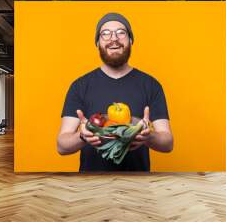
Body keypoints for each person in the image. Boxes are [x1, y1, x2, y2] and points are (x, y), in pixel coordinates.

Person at [57, 12, 173, 171]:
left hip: (138, 187)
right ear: (98, 43)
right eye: (105, 34)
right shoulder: (79, 86)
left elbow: (168, 143)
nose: (113, 38)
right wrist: (83, 136)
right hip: (90, 185)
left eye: (121, 33)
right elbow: (62, 146)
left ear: (130, 40)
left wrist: (148, 136)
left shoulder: (151, 85)